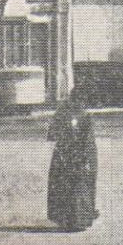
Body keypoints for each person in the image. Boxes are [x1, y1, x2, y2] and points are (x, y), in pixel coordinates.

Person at [46, 97, 98, 232]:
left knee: (64, 185)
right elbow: (88, 140)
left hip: (64, 154)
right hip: (79, 154)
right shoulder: (85, 115)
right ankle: (81, 218)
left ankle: (65, 218)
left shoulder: (61, 114)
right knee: (81, 185)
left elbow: (51, 135)